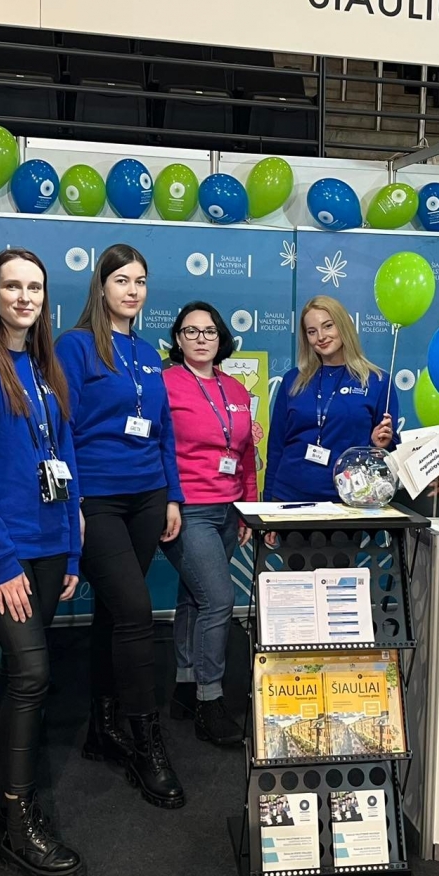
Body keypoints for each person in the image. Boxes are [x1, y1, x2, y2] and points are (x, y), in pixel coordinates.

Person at [59, 244, 185, 809]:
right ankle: (144, 742)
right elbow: (60, 428)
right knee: (135, 613)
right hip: (99, 500)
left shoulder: (148, 352)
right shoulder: (76, 345)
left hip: (148, 497)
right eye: (122, 280)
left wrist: (172, 496)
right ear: (102, 287)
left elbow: (163, 431)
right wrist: (74, 505)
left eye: (141, 281)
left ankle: (102, 727)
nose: (133, 291)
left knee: (113, 614)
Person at [0, 247, 86, 876]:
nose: (24, 298)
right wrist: (0, 562)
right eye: (12, 286)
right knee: (31, 675)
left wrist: (71, 549)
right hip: (7, 552)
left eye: (35, 288)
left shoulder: (45, 369)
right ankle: (18, 823)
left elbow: (64, 459)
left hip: (50, 548)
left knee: (23, 678)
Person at [161, 302, 257, 746]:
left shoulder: (235, 388)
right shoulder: (165, 383)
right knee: (219, 600)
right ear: (178, 339)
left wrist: (248, 506)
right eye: (191, 331)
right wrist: (168, 499)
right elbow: (157, 447)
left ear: (221, 338)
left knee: (192, 598)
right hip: (188, 508)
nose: (201, 339)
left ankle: (184, 685)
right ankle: (209, 701)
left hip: (227, 509)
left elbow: (245, 453)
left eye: (209, 331)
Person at [265, 295, 397, 503]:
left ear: (343, 326)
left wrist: (379, 445)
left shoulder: (377, 381)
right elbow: (276, 447)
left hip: (348, 499)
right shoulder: (293, 380)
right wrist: (267, 503)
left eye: (328, 326)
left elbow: (390, 450)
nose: (321, 337)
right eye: (312, 331)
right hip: (288, 497)